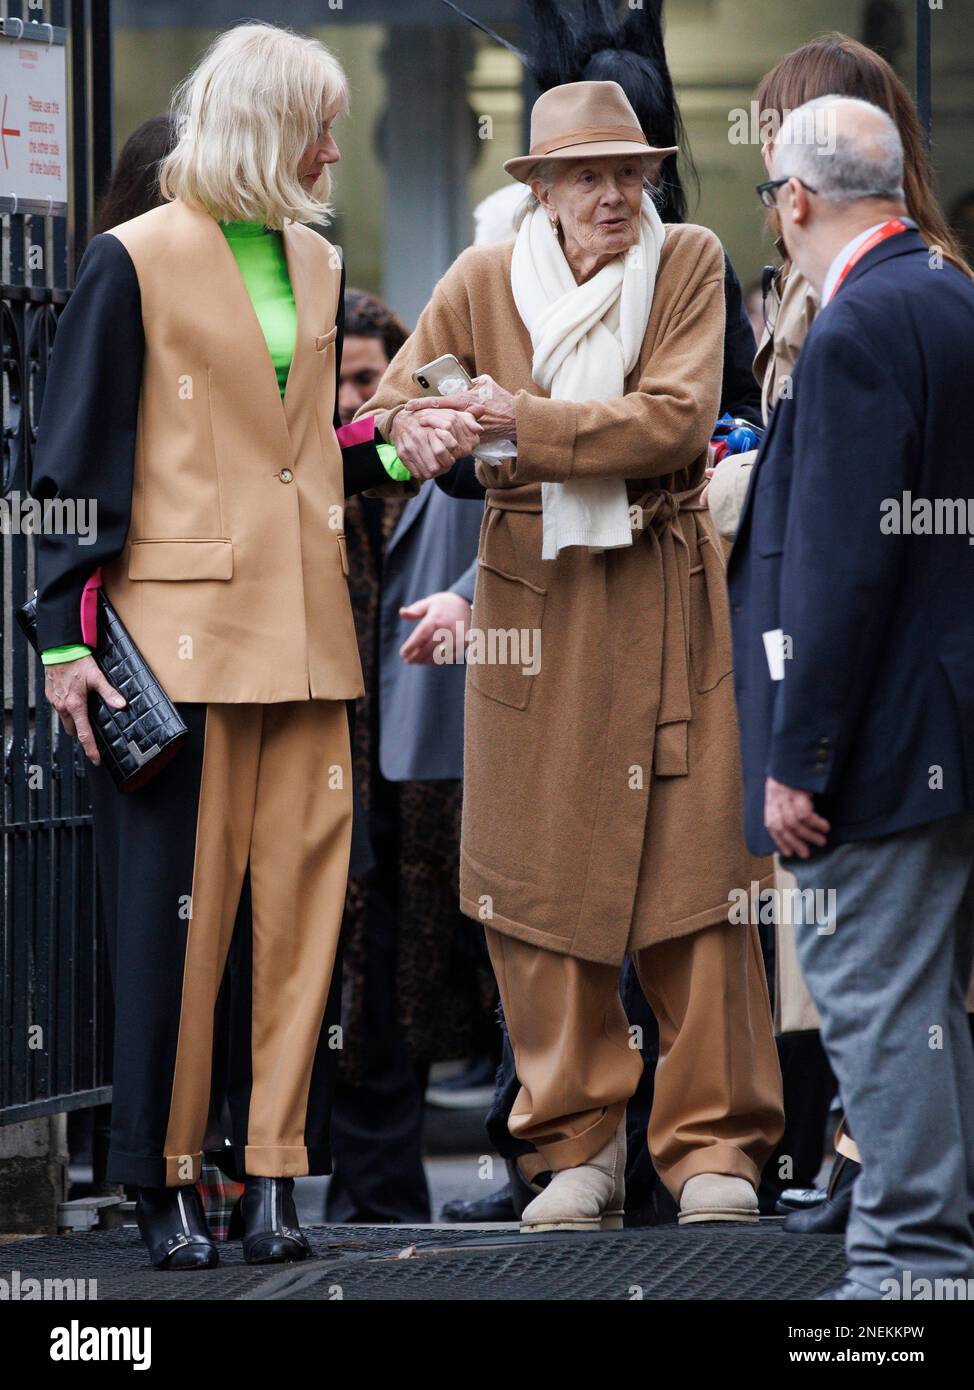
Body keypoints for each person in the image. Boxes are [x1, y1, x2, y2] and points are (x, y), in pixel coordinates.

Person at [29, 22, 464, 1271]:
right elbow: (68, 470)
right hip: (176, 648)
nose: (335, 147)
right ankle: (164, 1181)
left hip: (311, 639)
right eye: (320, 125)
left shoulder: (320, 267)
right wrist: (64, 646)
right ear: (271, 129)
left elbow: (310, 453)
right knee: (176, 929)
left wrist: (404, 445)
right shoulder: (131, 259)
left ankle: (274, 1176)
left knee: (303, 922)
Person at [361, 79, 784, 1233]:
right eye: (586, 174)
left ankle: (711, 1149)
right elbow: (395, 417)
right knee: (531, 885)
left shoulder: (688, 259)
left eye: (628, 171)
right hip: (529, 609)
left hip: (664, 593)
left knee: (696, 884)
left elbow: (675, 420)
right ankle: (575, 1151)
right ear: (538, 188)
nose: (613, 192)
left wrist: (511, 422)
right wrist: (421, 431)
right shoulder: (477, 278)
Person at [706, 33, 973, 1236]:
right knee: (928, 1007)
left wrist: (794, 760)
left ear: (795, 198)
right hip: (943, 733)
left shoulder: (856, 325)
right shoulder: (951, 294)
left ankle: (903, 1282)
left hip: (871, 753)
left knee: (874, 1003)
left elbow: (839, 574)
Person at [327, 288, 493, 1223]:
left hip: (450, 775)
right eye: (341, 380)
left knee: (465, 973)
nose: (354, 397)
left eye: (368, 377)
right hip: (350, 776)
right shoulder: (324, 492)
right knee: (367, 990)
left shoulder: (441, 475)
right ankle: (373, 1199)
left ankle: (533, 1164)